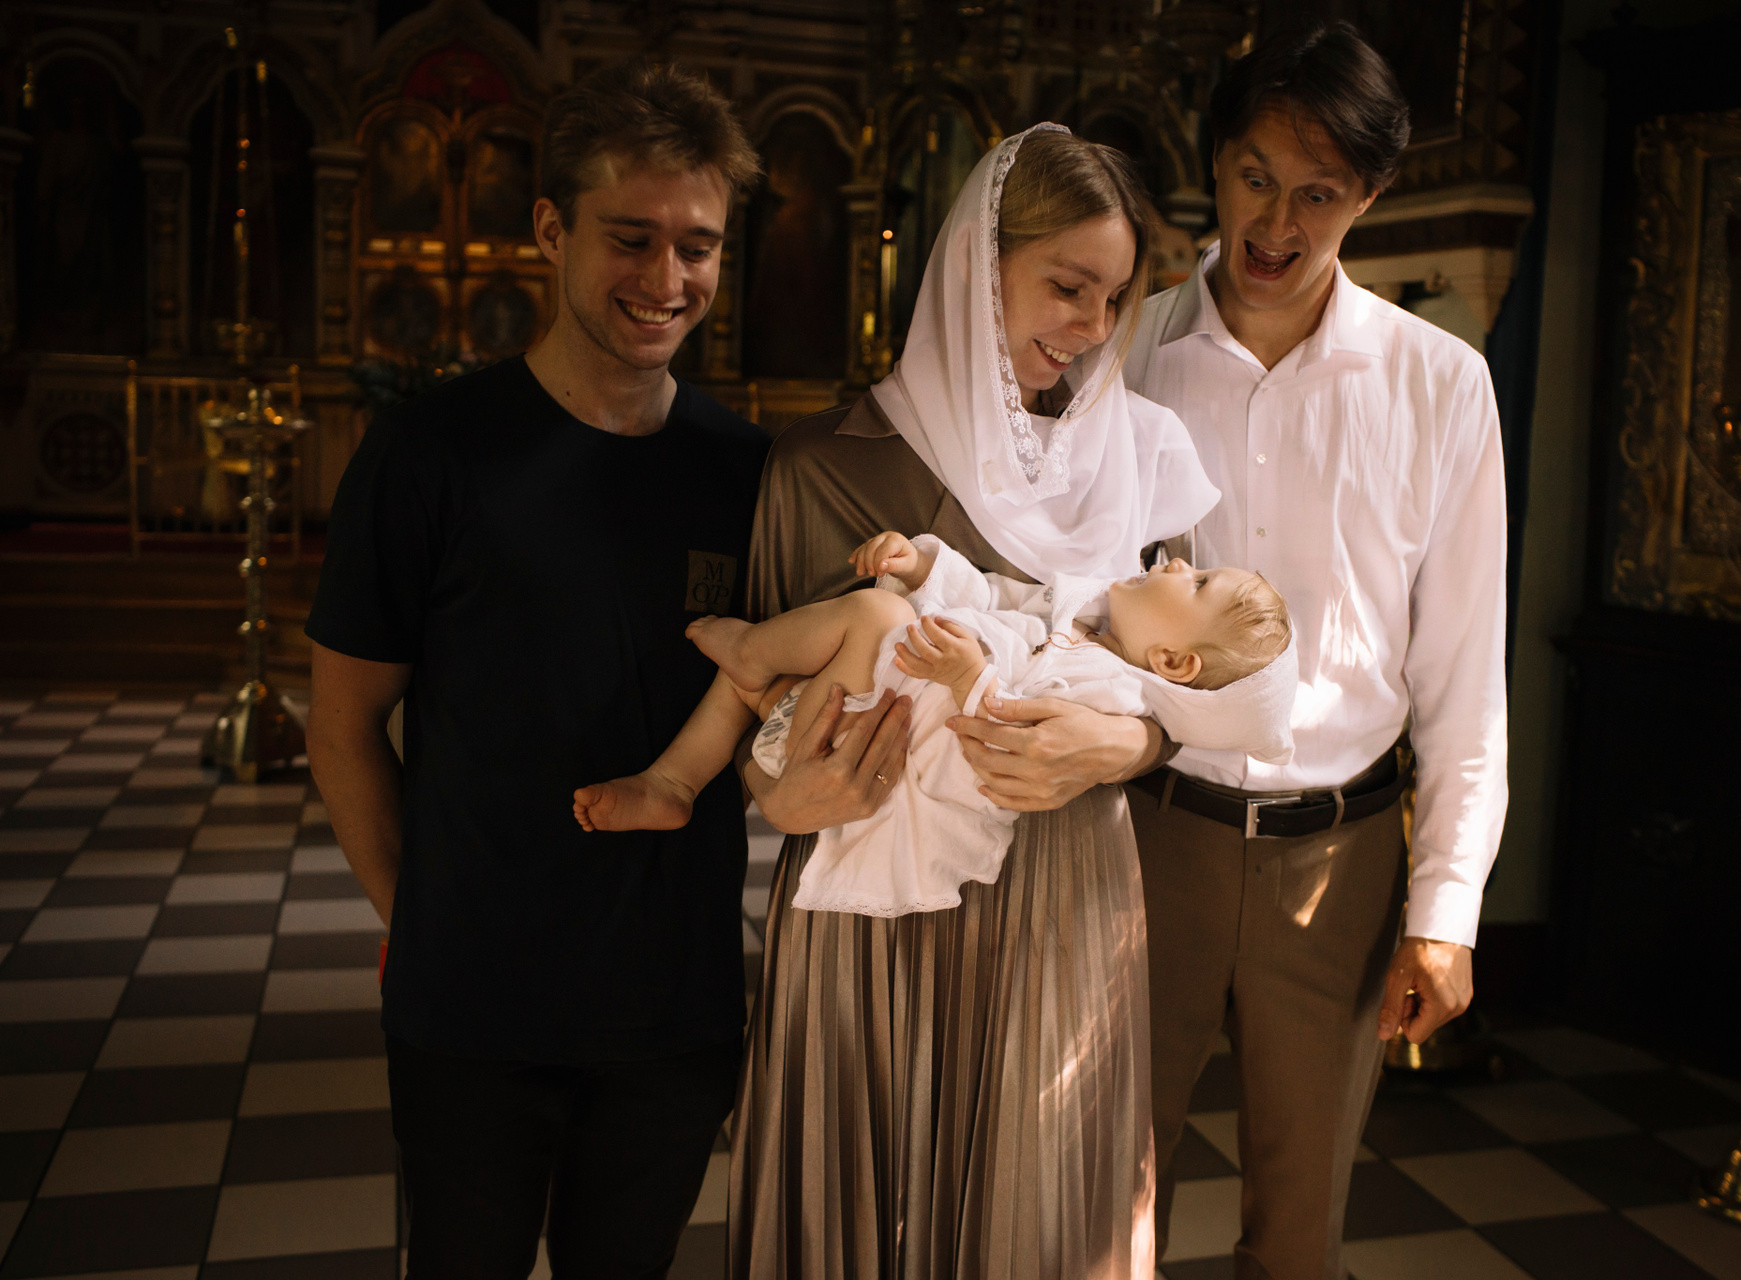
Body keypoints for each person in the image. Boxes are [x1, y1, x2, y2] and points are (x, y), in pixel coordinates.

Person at [726, 124, 1220, 1279]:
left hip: (1062, 889)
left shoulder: (1146, 458)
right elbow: (758, 708)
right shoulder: (824, 463)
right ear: (972, 264)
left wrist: (1126, 740)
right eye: (1067, 285)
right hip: (869, 897)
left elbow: (1184, 694)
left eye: (1115, 298)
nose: (1093, 326)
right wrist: (771, 791)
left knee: (1042, 1223)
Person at [303, 61, 767, 1279]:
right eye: (633, 237)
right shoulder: (430, 453)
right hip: (474, 1010)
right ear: (554, 230)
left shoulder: (747, 473)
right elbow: (342, 725)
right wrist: (424, 921)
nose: (668, 279)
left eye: (699, 246)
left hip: (672, 1006)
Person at [1121, 23, 1509, 1280]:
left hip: (1340, 861)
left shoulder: (1440, 386)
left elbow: (1465, 677)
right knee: (1095, 1215)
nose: (1276, 222)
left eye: (1318, 193)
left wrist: (1444, 912)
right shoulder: (1127, 356)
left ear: (1370, 196)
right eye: (1255, 177)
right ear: (1216, 165)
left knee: (1299, 1243)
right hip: (1144, 834)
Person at [573, 532, 1296, 919]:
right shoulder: (1080, 617)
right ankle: (673, 781)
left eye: (1199, 582)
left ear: (1171, 661)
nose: (1180, 560)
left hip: (882, 753)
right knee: (798, 664)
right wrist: (922, 565)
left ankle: (752, 648)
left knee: (875, 613)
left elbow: (1009, 735)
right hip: (852, 713)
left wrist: (967, 676)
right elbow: (989, 596)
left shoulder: (1109, 693)